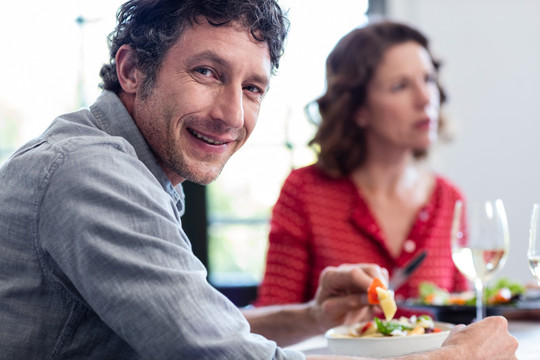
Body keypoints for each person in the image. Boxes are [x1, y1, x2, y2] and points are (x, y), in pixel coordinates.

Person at [0, 1, 517, 359]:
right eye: (206, 72)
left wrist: (315, 315)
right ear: (133, 70)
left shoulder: (141, 172)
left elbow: (204, 329)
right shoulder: (93, 174)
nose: (231, 114)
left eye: (252, 88)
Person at [256, 20, 469, 308]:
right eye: (400, 86)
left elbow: (463, 314)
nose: (425, 99)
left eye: (428, 80)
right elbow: (272, 320)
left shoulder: (449, 199)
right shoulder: (305, 192)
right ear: (357, 109)